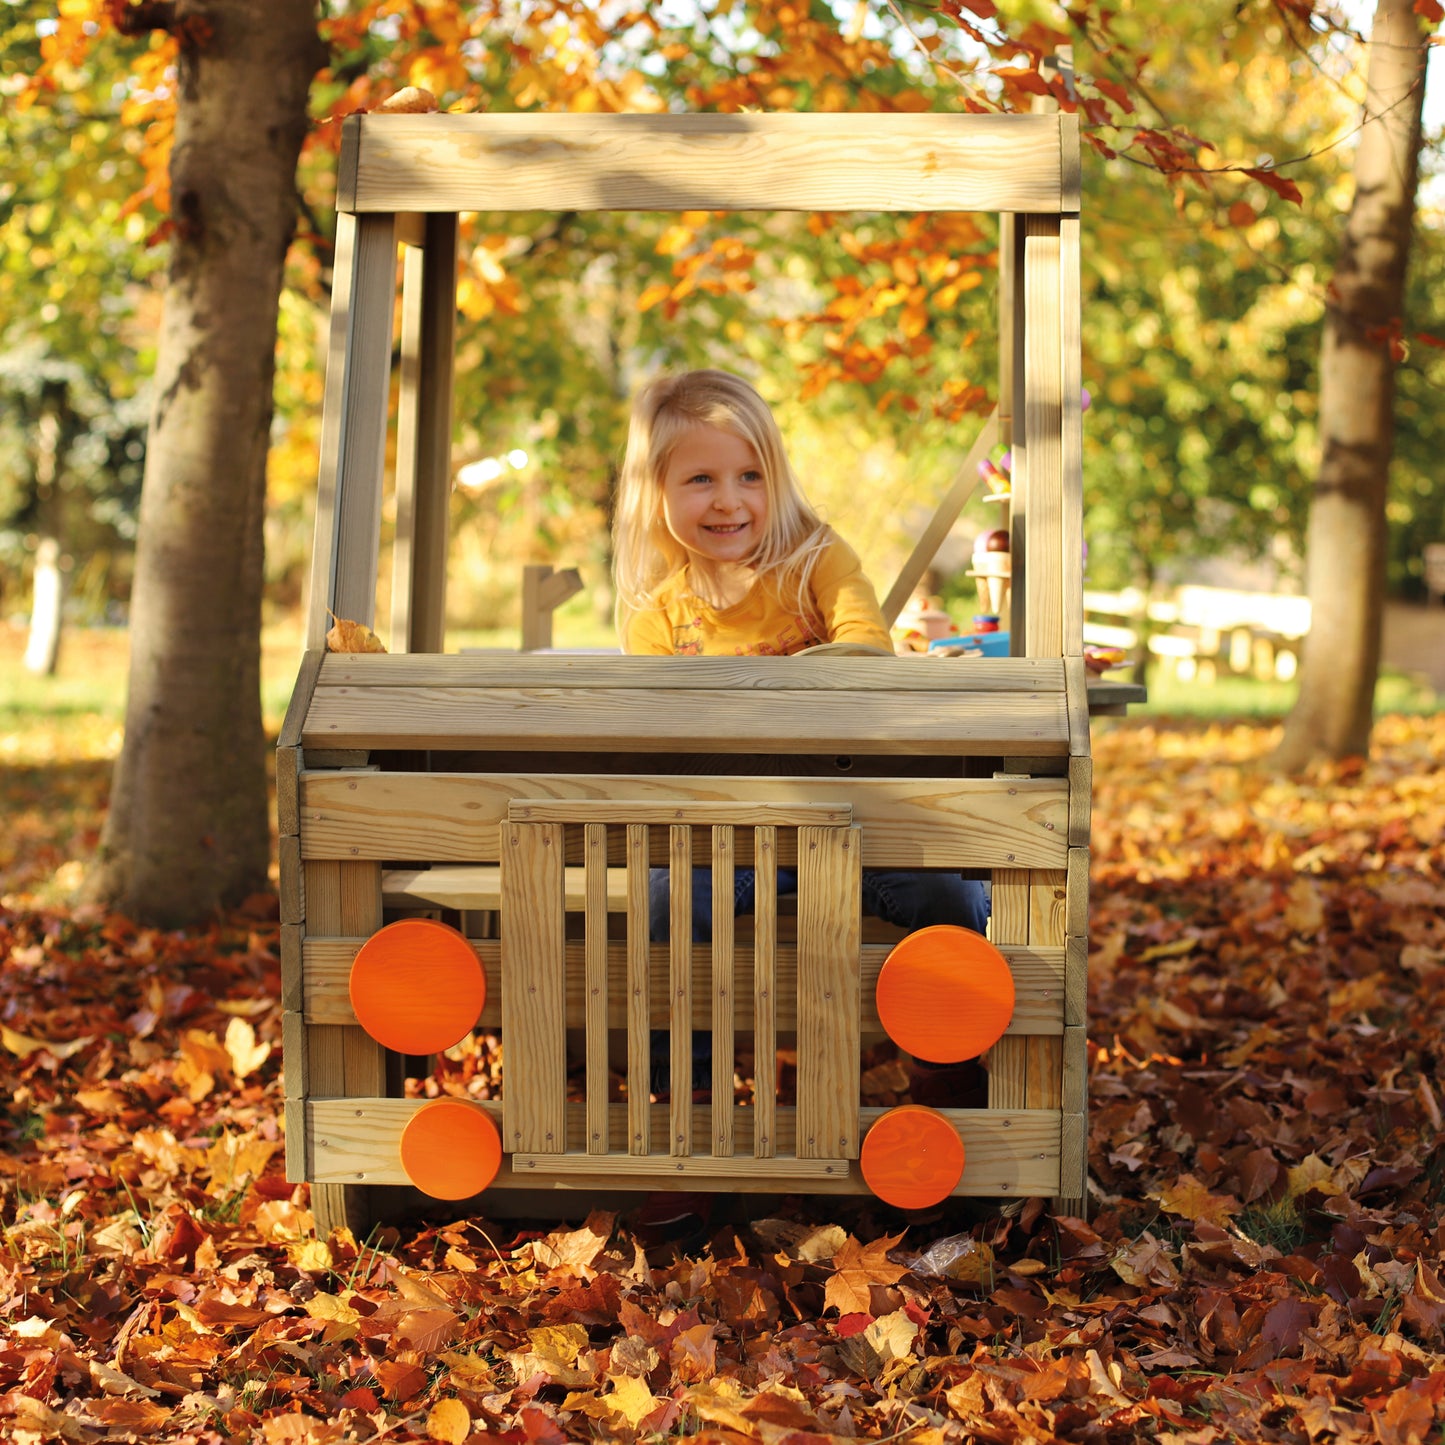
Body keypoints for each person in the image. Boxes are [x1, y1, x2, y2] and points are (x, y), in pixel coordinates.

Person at [612, 369, 989, 1101]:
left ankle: (945, 1075)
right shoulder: (658, 619)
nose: (729, 499)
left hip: (858, 822)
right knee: (666, 896)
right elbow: (658, 742)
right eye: (700, 479)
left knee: (950, 891)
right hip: (732, 835)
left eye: (749, 474)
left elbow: (864, 651)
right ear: (655, 497)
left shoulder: (818, 563)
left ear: (775, 479)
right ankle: (681, 1098)